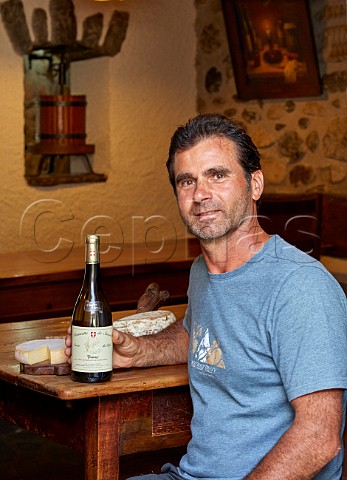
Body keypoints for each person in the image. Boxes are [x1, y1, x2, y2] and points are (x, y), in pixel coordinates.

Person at [65, 113, 347, 479]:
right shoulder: (203, 271)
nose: (200, 194)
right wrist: (137, 352)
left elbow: (320, 437)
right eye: (187, 181)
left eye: (217, 175)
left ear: (255, 184)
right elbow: (199, 336)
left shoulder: (300, 287)